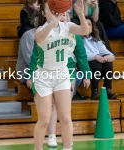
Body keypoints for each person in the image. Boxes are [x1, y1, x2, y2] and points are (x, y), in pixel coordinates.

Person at [27, 0, 90, 149]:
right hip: (43, 77)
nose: (56, 13)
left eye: (57, 10)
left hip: (62, 75)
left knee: (66, 117)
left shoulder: (67, 27)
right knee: (44, 119)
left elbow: (85, 31)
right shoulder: (40, 31)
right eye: (51, 10)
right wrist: (52, 23)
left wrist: (81, 15)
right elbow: (40, 38)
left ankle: (68, 148)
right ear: (43, 13)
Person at [46, 12, 91, 147]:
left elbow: (82, 56)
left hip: (68, 72)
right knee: (53, 106)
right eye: (59, 15)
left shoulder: (75, 35)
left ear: (68, 18)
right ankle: (52, 136)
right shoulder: (47, 32)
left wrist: (87, 74)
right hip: (50, 72)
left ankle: (67, 139)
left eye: (65, 15)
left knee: (65, 109)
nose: (62, 17)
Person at [83, 16, 118, 100]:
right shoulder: (78, 39)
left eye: (90, 24)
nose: (88, 26)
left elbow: (105, 51)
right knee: (96, 63)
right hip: (85, 65)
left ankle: (107, 89)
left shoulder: (95, 39)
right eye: (85, 24)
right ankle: (94, 92)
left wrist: (109, 56)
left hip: (97, 65)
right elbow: (81, 56)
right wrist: (95, 57)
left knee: (108, 63)